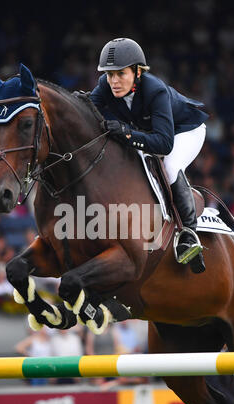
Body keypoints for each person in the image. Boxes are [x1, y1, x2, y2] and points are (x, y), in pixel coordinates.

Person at [90, 38, 209, 273]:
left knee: (171, 167)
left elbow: (164, 144)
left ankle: (189, 235)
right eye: (109, 75)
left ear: (137, 72)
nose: (113, 81)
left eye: (120, 74)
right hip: (150, 133)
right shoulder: (105, 85)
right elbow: (86, 108)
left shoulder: (155, 90)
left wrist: (126, 134)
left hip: (185, 131)